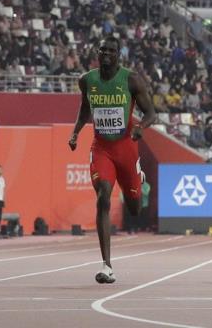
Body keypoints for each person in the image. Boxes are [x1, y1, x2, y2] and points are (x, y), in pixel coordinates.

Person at [69, 36, 158, 284]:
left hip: (126, 149)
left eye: (111, 50)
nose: (106, 53)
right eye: (103, 50)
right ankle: (107, 265)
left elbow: (151, 113)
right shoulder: (87, 80)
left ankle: (137, 177)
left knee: (135, 208)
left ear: (119, 54)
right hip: (102, 149)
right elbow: (84, 110)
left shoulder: (131, 80)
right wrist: (75, 133)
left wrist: (140, 126)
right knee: (103, 196)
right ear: (97, 53)